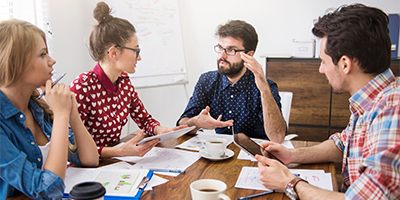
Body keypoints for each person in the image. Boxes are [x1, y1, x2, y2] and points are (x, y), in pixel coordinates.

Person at [255, 4, 400, 200]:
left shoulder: (392, 107)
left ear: (345, 64)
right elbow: (342, 144)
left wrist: (289, 183)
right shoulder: (372, 99)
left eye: (323, 61)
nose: (321, 70)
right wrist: (293, 156)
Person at [70, 2, 185, 158]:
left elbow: (144, 119)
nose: (139, 57)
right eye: (136, 50)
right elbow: (72, 146)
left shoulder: (124, 81)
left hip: (114, 161)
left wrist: (159, 130)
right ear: (114, 53)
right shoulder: (82, 86)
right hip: (87, 168)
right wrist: (118, 151)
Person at [0, 19, 99, 199]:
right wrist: (61, 115)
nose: (52, 61)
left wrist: (72, 114)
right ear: (15, 63)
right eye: (43, 54)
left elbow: (89, 159)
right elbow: (45, 191)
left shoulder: (37, 107)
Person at [177, 20, 286, 143]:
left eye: (231, 50)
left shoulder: (265, 85)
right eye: (220, 48)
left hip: (255, 155)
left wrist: (264, 91)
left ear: (249, 55)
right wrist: (196, 122)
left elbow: (277, 137)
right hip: (221, 152)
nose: (222, 55)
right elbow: (182, 124)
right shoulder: (207, 81)